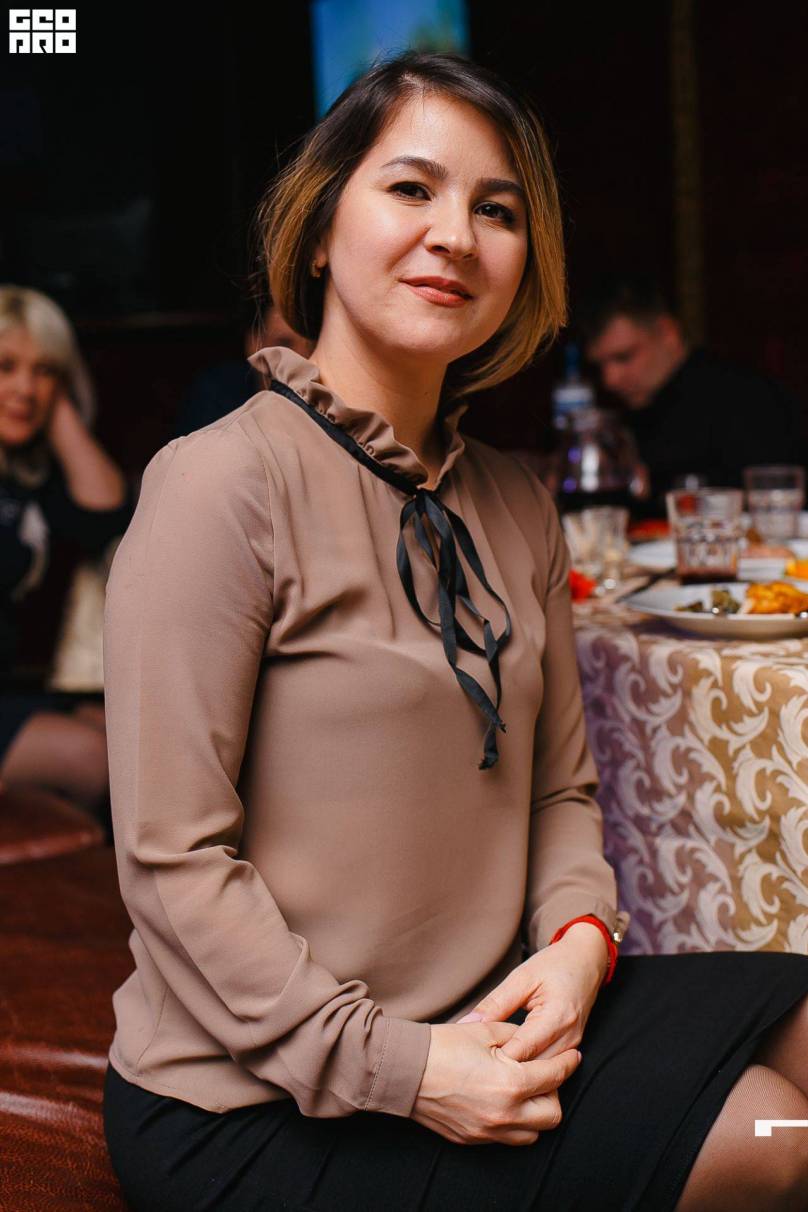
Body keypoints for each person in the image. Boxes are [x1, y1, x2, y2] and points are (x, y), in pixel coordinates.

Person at [101, 52, 808, 1212]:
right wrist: (411, 1069)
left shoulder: (517, 502)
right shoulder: (218, 484)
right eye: (410, 189)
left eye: (497, 210)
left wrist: (577, 946)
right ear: (318, 232)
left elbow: (560, 791)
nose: (456, 237)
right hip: (252, 1099)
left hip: (494, 1009)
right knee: (772, 1139)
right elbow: (172, 864)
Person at [0, 286, 134, 819]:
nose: (25, 387)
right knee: (94, 759)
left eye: (46, 370)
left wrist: (46, 404)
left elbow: (108, 513)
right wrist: (31, 388)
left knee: (128, 733)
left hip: (10, 690)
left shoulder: (29, 480)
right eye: (5, 367)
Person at [578, 272, 807, 515]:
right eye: (600, 365)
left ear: (668, 332)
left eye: (624, 357)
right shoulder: (620, 417)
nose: (610, 379)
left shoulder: (745, 399)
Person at [170, 300, 313, 438]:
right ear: (254, 344)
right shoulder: (218, 395)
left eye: (313, 346)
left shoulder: (321, 407)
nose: (304, 358)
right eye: (285, 344)